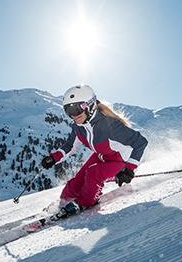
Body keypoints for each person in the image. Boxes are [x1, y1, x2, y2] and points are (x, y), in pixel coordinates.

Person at [41, 84, 148, 219]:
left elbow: (140, 142)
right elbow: (70, 146)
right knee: (76, 181)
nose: (73, 115)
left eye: (77, 108)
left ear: (89, 105)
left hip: (121, 162)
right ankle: (64, 202)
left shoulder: (110, 126)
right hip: (102, 156)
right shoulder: (79, 126)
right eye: (68, 110)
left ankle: (84, 203)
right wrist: (54, 158)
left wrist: (129, 169)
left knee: (93, 174)